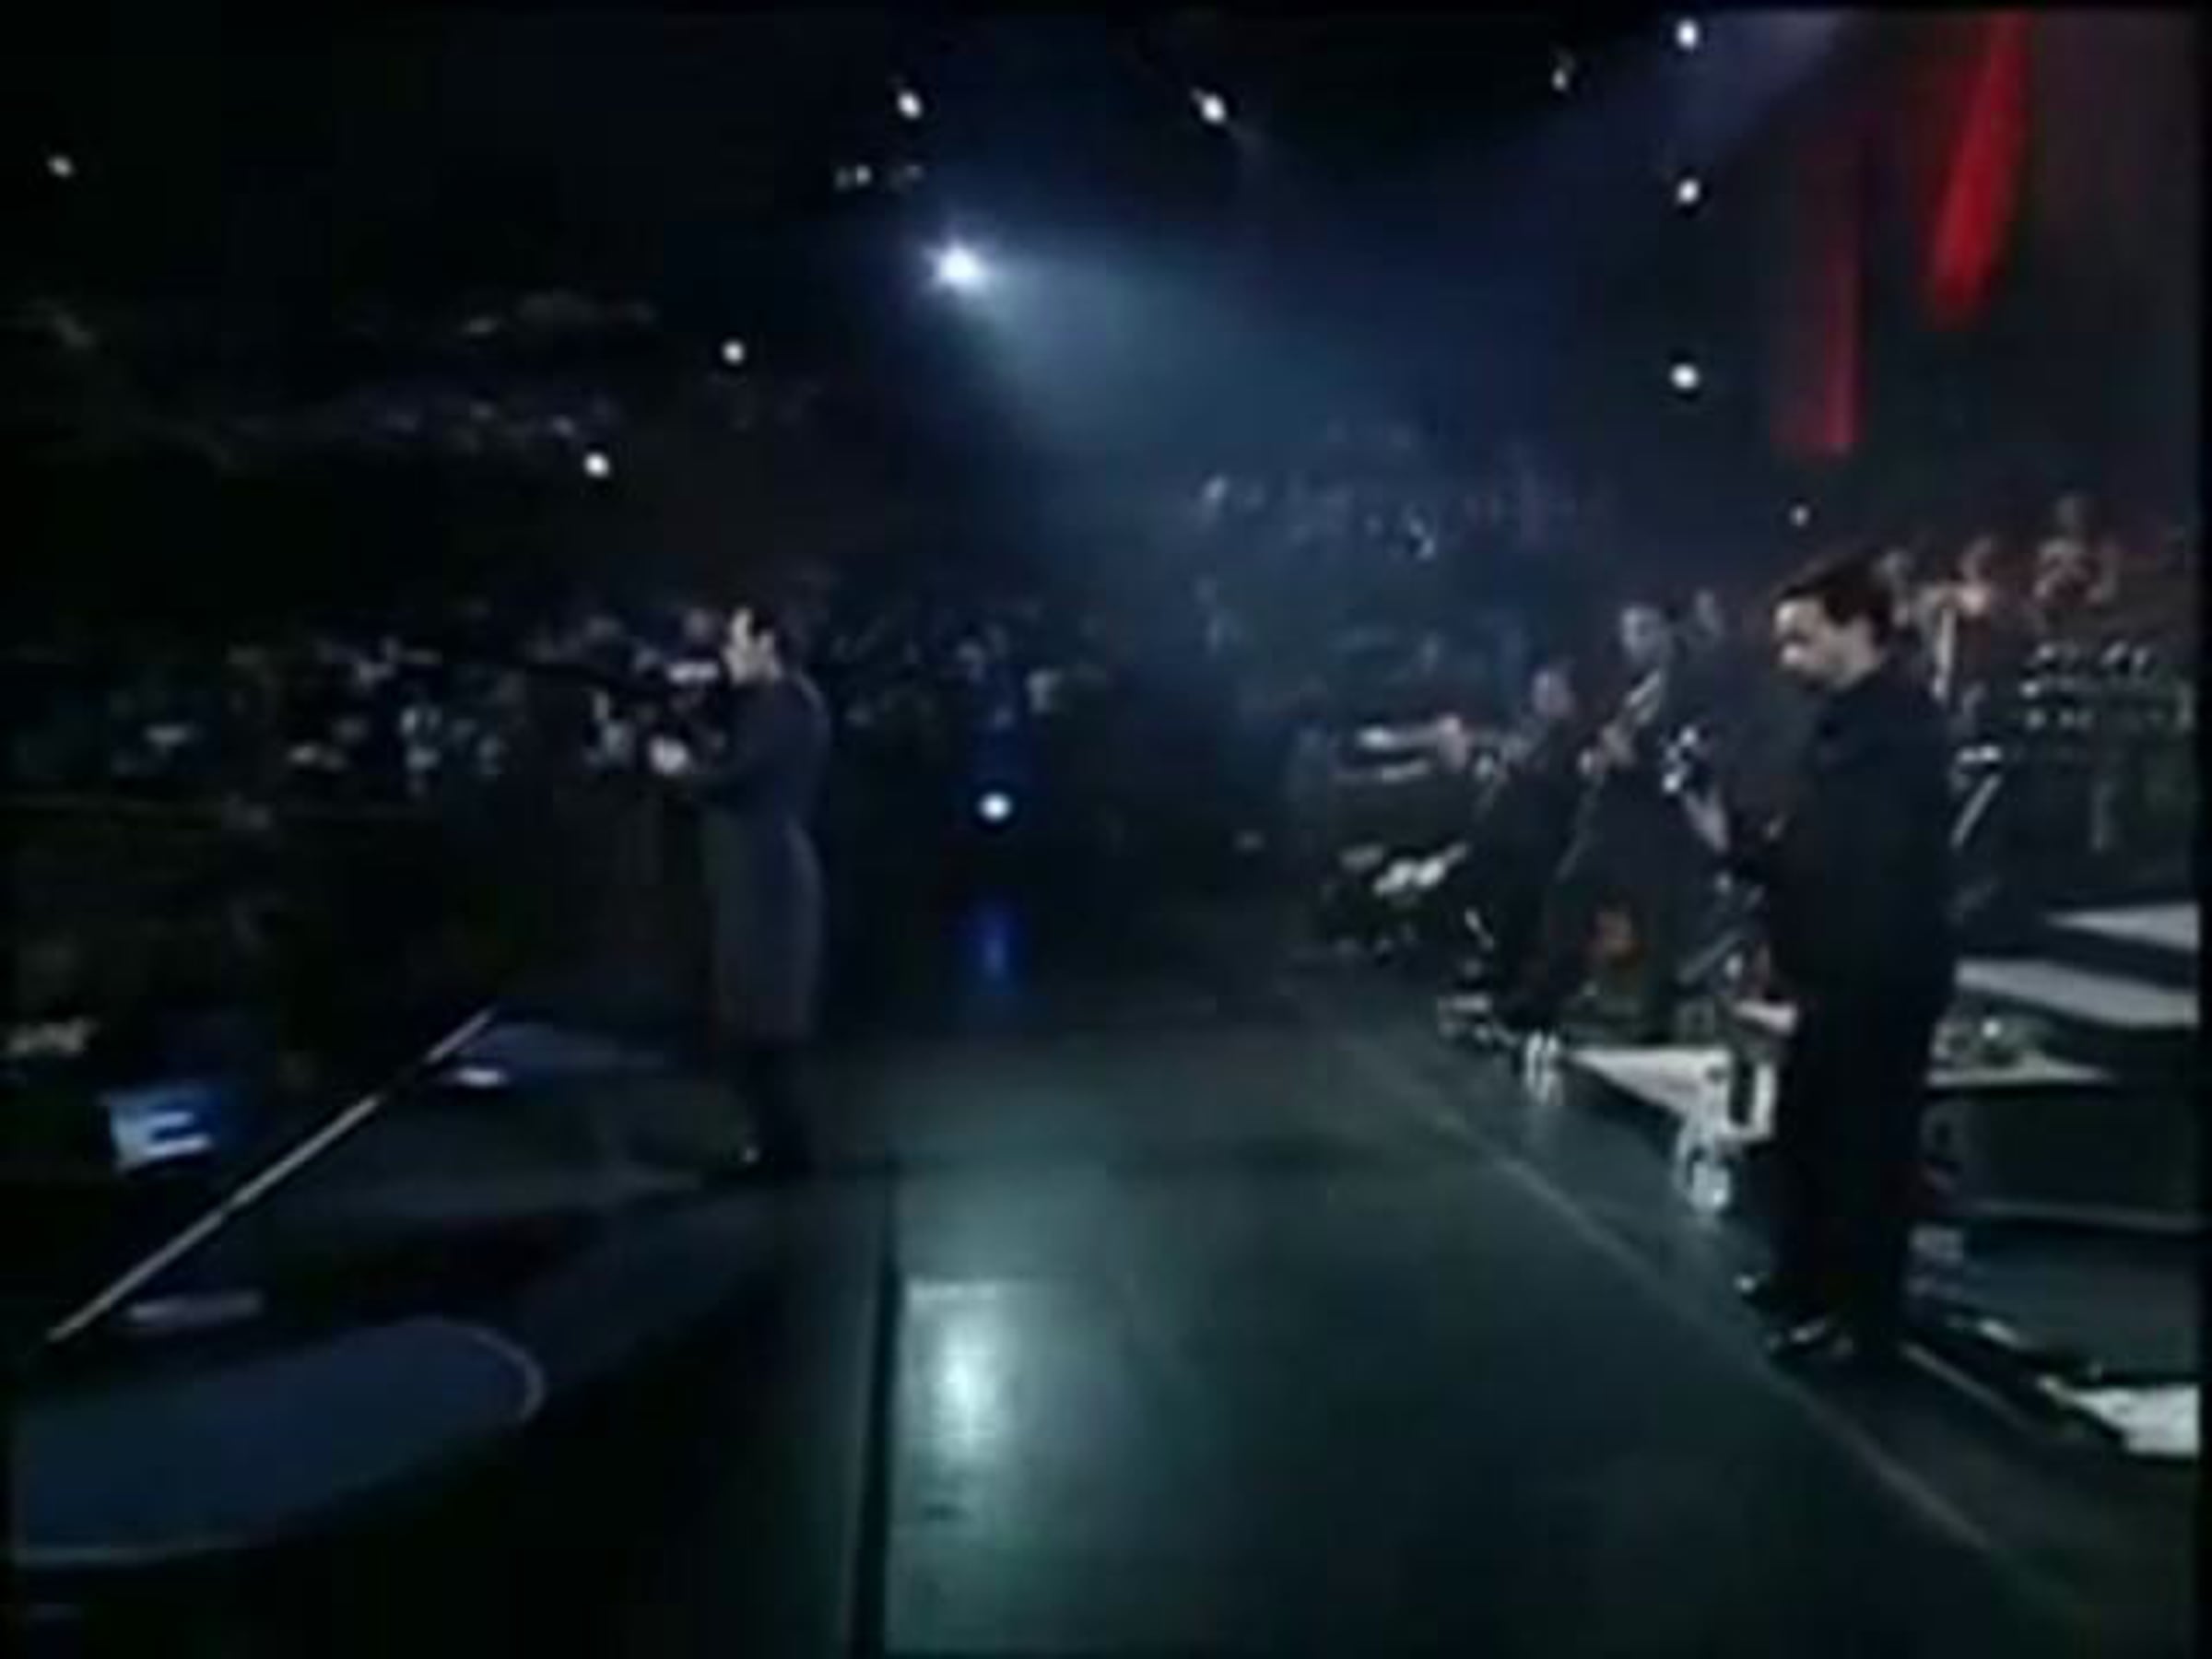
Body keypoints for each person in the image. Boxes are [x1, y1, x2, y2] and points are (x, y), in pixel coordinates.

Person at [1679, 553, 1956, 1372]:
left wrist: (1770, 863)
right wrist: (1736, 844)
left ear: (1856, 627)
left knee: (1866, 1154)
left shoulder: (1899, 731)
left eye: (1802, 637)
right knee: (1805, 1130)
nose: (1788, 656)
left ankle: (1861, 1322)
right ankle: (1804, 1281)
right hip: (1834, 966)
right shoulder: (1837, 726)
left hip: (1880, 970)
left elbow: (1857, 861)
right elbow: (1811, 848)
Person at [649, 599, 832, 1179]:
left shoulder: (789, 705)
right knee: (748, 1012)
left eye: (737, 641)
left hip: (768, 876)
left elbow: (738, 778)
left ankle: (783, 1148)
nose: (728, 655)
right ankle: (775, 1143)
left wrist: (682, 771)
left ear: (767, 644)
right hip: (750, 870)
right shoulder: (767, 705)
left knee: (765, 1015)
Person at [1498, 602, 1707, 1041]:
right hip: (1612, 821)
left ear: (1669, 632)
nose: (1635, 642)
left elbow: (1688, 761)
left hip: (1658, 825)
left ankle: (1652, 1013)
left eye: (1645, 630)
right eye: (1629, 631)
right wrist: (1598, 759)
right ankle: (1546, 993)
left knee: (1653, 916)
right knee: (1569, 896)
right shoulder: (1633, 692)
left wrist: (1635, 762)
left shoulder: (1689, 693)